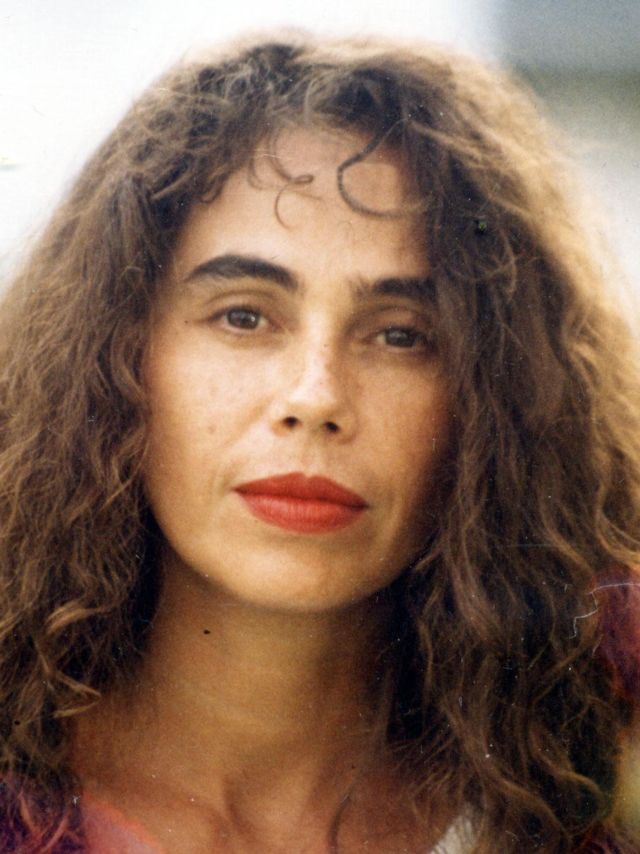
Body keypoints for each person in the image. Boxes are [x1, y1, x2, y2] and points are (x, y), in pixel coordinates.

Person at [0, 33, 639, 853]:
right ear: (114, 351)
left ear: (494, 398)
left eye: (401, 335)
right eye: (243, 316)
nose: (316, 396)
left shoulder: (582, 812)